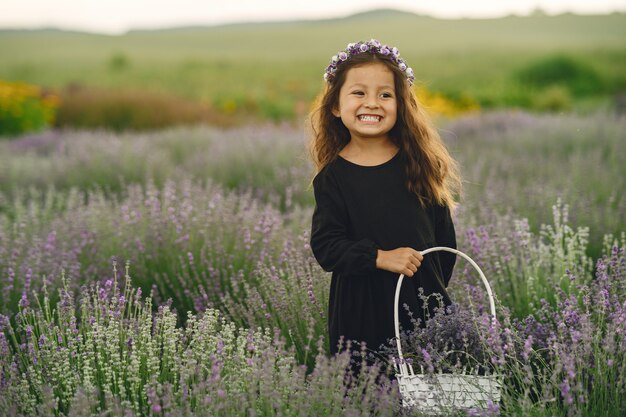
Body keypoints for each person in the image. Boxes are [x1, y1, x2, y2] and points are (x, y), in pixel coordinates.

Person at [308, 40, 462, 378]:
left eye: (385, 95)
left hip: (422, 307)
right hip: (360, 317)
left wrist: (430, 293)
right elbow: (326, 247)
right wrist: (379, 257)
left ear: (401, 105)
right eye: (358, 93)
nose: (372, 104)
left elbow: (445, 245)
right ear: (335, 106)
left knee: (437, 393)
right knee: (370, 394)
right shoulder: (333, 178)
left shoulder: (418, 165)